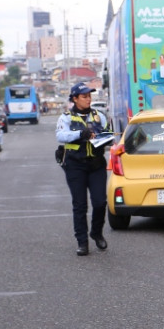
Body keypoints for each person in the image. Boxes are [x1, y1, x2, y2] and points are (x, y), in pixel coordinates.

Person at [56, 82, 113, 256]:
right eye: (84, 96)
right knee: (80, 205)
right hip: (75, 165)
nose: (88, 99)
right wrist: (81, 134)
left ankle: (96, 232)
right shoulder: (66, 117)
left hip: (96, 164)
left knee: (100, 202)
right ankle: (82, 242)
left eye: (89, 96)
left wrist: (106, 138)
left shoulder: (99, 116)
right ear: (75, 99)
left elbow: (108, 134)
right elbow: (60, 135)